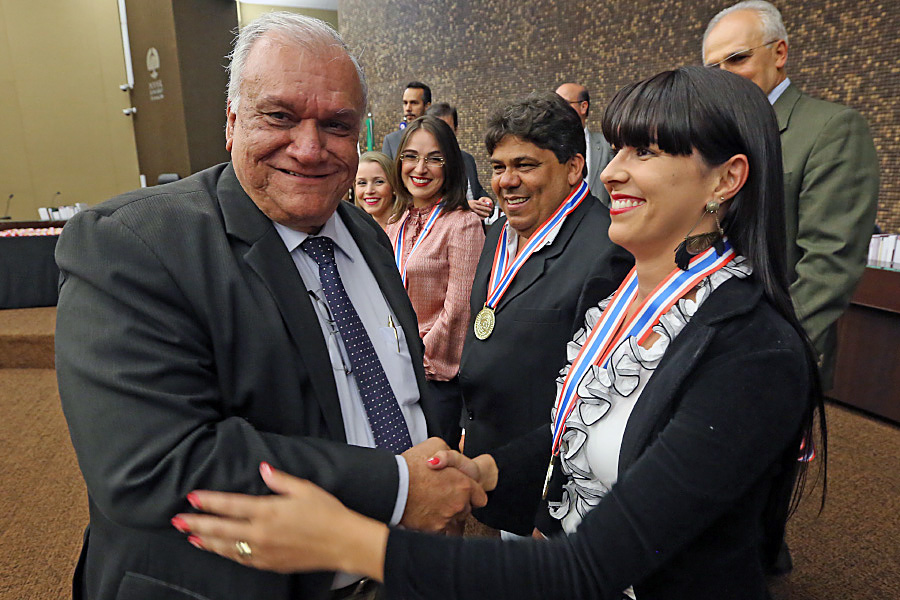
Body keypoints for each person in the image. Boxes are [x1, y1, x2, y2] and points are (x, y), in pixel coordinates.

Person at [172, 66, 826, 599]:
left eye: (646, 151)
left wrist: (347, 541)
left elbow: (591, 566)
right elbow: (584, 428)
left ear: (726, 178)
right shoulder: (634, 299)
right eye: (620, 148)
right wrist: (486, 469)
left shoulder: (753, 350)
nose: (613, 171)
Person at [55, 12, 484, 600]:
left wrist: (434, 483)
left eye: (336, 125)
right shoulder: (133, 245)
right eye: (279, 116)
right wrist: (397, 488)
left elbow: (396, 386)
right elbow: (156, 462)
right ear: (232, 122)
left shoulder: (366, 235)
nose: (309, 149)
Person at [460, 93, 632, 537]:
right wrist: (469, 425)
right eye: (498, 167)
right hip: (492, 457)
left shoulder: (607, 250)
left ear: (573, 168)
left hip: (547, 489)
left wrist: (552, 509)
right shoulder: (498, 232)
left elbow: (600, 400)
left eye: (525, 165)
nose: (507, 181)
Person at [703, 0, 879, 390]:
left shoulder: (831, 129)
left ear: (779, 53)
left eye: (738, 58)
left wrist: (769, 348)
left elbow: (829, 263)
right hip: (705, 339)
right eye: (713, 69)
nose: (725, 77)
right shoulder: (712, 138)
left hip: (772, 351)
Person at [386, 115, 484, 447]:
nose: (420, 168)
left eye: (434, 159)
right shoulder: (396, 221)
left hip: (433, 379)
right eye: (411, 156)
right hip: (394, 371)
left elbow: (459, 310)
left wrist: (418, 361)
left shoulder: (463, 224)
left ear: (451, 165)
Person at [426, 102, 495, 222]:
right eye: (438, 131)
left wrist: (486, 201)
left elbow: (476, 190)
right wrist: (464, 207)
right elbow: (426, 205)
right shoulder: (425, 166)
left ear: (456, 130)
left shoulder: (467, 159)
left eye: (448, 130)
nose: (444, 136)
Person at [555, 82, 613, 207]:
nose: (557, 110)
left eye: (563, 104)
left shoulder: (606, 144)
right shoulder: (547, 147)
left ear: (583, 106)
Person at [382, 81, 431, 159]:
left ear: (427, 106)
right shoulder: (391, 141)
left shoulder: (438, 137)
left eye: (414, 103)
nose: (408, 108)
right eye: (405, 103)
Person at [354, 151, 401, 230]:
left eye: (379, 182)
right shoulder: (356, 230)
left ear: (394, 185)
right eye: (362, 183)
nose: (369, 191)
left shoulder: (411, 227)